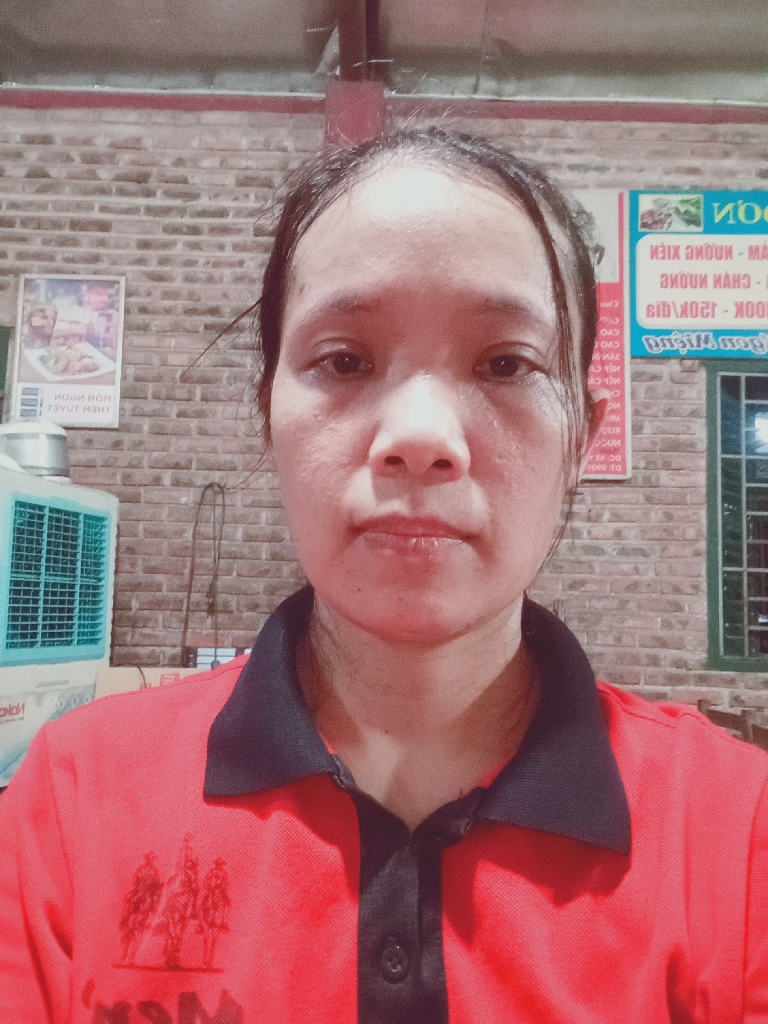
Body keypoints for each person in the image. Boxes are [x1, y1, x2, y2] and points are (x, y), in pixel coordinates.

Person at [1, 127, 767, 1024]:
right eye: (345, 360)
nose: (419, 437)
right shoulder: (74, 798)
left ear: (581, 442)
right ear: (269, 416)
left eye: (506, 363)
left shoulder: (738, 832)